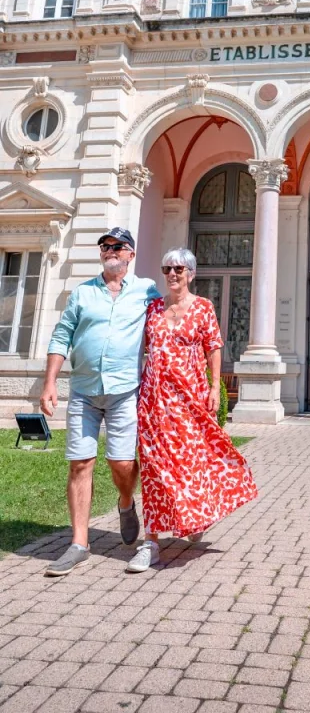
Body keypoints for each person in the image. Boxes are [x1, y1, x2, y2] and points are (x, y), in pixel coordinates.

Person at [127, 247, 257, 573]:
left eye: (179, 269)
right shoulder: (153, 309)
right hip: (154, 402)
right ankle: (151, 542)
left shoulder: (202, 308)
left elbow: (213, 347)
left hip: (190, 401)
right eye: (168, 268)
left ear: (191, 273)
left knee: (190, 465)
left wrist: (215, 387)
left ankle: (197, 514)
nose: (173, 274)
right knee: (155, 471)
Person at [40, 228, 161, 576]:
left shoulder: (146, 291)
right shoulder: (83, 293)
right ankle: (79, 543)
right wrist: (50, 383)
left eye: (117, 246)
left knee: (122, 464)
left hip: (125, 391)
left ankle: (125, 501)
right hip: (83, 389)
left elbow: (162, 331)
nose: (110, 250)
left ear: (131, 254)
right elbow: (62, 334)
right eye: (105, 246)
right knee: (80, 463)